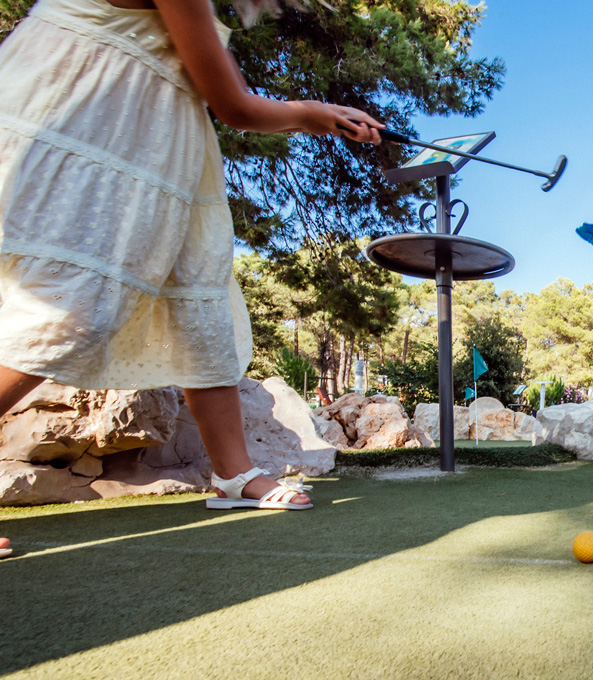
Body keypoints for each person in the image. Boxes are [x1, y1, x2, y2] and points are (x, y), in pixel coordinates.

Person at [0, 0, 385, 554]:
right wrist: (310, 113)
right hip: (89, 120)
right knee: (75, 307)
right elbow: (233, 105)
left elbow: (227, 86)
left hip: (159, 140)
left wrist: (317, 112)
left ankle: (233, 474)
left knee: (198, 304)